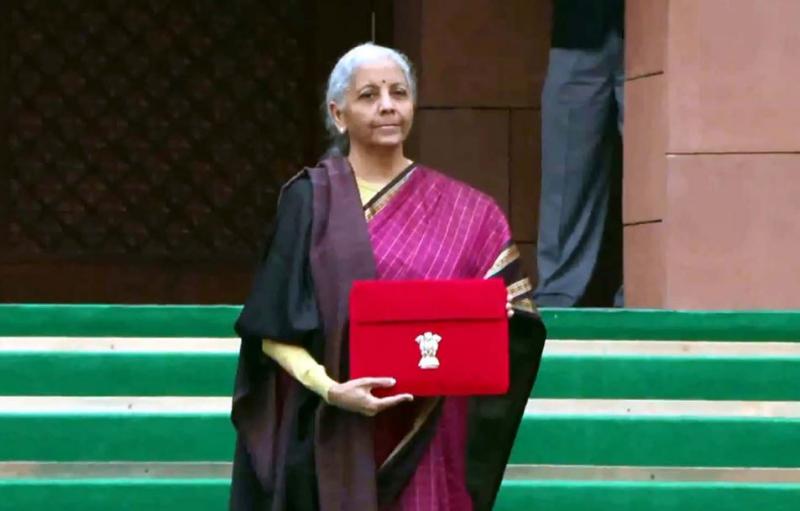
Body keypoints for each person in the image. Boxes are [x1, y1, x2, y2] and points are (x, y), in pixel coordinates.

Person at [229, 42, 546, 511]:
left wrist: (492, 320)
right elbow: (270, 329)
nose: (387, 106)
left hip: (430, 431)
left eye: (399, 93)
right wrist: (332, 390)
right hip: (338, 432)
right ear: (338, 114)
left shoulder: (469, 213)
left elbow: (513, 323)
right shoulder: (311, 201)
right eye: (369, 95)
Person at [534, 0, 625, 307]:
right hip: (578, 26)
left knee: (652, 168)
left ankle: (645, 287)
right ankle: (557, 293)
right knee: (564, 169)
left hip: (654, 37)